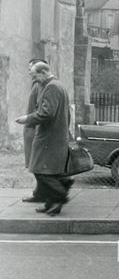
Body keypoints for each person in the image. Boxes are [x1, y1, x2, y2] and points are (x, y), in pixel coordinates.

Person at [15, 62, 72, 216]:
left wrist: (27, 118)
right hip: (55, 136)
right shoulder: (58, 85)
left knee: (40, 171)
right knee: (49, 172)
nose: (35, 81)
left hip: (49, 138)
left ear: (43, 72)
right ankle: (51, 203)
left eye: (35, 77)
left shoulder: (51, 87)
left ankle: (61, 194)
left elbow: (47, 113)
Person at [22, 59, 48, 203]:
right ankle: (40, 192)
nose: (29, 72)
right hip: (30, 128)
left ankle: (41, 194)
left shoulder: (42, 86)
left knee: (38, 163)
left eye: (31, 68)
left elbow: (41, 110)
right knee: (34, 163)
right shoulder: (37, 84)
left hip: (35, 128)